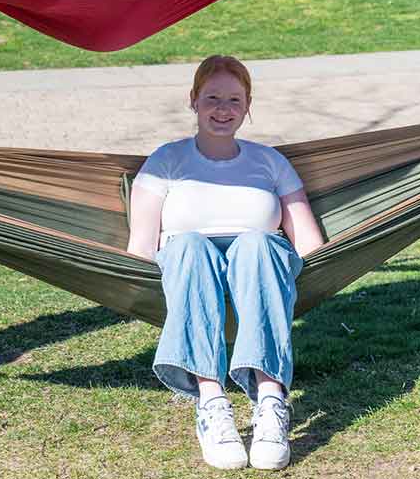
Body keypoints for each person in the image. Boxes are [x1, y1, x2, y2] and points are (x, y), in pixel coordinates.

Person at [127, 55, 324, 471]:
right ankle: (212, 403)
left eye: (234, 99)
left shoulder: (270, 161)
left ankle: (271, 402)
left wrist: (332, 271)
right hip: (189, 267)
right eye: (212, 97)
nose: (223, 108)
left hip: (261, 266)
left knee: (257, 243)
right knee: (191, 246)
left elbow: (307, 239)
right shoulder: (166, 161)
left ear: (248, 104)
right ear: (193, 101)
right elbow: (141, 246)